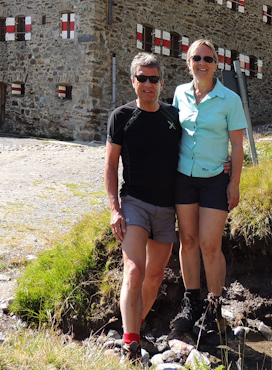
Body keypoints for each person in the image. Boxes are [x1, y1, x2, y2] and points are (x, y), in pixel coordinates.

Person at [105, 52, 180, 361]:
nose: (148, 85)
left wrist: (225, 164)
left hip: (168, 207)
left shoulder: (173, 116)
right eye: (142, 79)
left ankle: (137, 323)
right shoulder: (121, 117)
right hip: (135, 202)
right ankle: (131, 342)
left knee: (155, 275)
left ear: (161, 83)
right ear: (132, 81)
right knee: (134, 270)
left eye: (154, 79)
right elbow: (110, 166)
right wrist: (115, 208)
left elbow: (196, 150)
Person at [170, 39, 247, 337]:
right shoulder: (179, 93)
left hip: (215, 179)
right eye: (196, 58)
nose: (202, 63)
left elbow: (237, 146)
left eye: (208, 58)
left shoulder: (230, 100)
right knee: (187, 241)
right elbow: (173, 134)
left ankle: (214, 306)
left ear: (217, 64)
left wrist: (234, 183)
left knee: (209, 245)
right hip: (183, 178)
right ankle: (191, 302)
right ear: (188, 62)